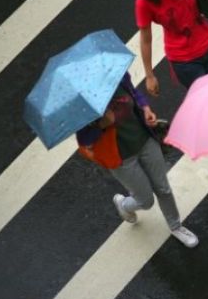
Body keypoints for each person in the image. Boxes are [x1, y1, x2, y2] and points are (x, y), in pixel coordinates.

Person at [76, 73, 199, 248]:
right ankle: (125, 205)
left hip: (145, 141)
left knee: (163, 188)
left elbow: (134, 93)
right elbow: (84, 141)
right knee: (145, 201)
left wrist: (145, 107)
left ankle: (176, 226)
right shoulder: (84, 107)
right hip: (122, 159)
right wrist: (101, 124)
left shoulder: (118, 78)